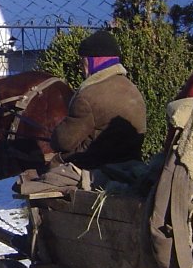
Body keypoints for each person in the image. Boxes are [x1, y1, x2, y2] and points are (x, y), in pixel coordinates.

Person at [49, 29, 148, 169]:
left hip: (96, 168)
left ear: (93, 61)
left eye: (82, 61)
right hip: (130, 164)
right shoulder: (132, 89)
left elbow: (63, 142)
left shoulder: (88, 96)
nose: (81, 67)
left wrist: (56, 136)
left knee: (36, 177)